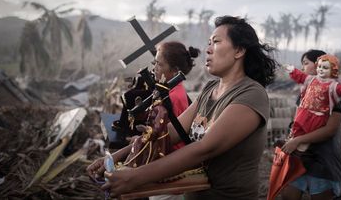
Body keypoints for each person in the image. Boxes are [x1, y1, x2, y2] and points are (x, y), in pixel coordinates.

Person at [87, 15, 278, 199]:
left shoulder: (251, 94)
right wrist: (116, 157)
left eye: (216, 42)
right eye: (209, 42)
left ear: (239, 50)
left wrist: (135, 177)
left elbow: (205, 148)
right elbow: (170, 133)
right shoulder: (209, 89)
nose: (208, 49)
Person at [279, 50, 341, 200]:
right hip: (300, 157)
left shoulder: (333, 93)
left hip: (323, 159)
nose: (302, 68)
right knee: (288, 195)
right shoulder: (305, 93)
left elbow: (329, 130)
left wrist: (297, 141)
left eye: (305, 63)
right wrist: (291, 141)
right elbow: (297, 122)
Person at [149, 41, 200, 200]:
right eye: (154, 63)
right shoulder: (171, 91)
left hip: (169, 167)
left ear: (175, 71)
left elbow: (170, 136)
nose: (154, 68)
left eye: (160, 64)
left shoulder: (173, 97)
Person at [282, 54, 341, 151]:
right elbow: (301, 76)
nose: (321, 69)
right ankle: (295, 141)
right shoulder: (311, 79)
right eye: (319, 67)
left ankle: (302, 144)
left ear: (333, 70)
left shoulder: (333, 86)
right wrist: (293, 70)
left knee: (311, 130)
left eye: (325, 68)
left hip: (318, 115)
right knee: (298, 127)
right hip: (305, 111)